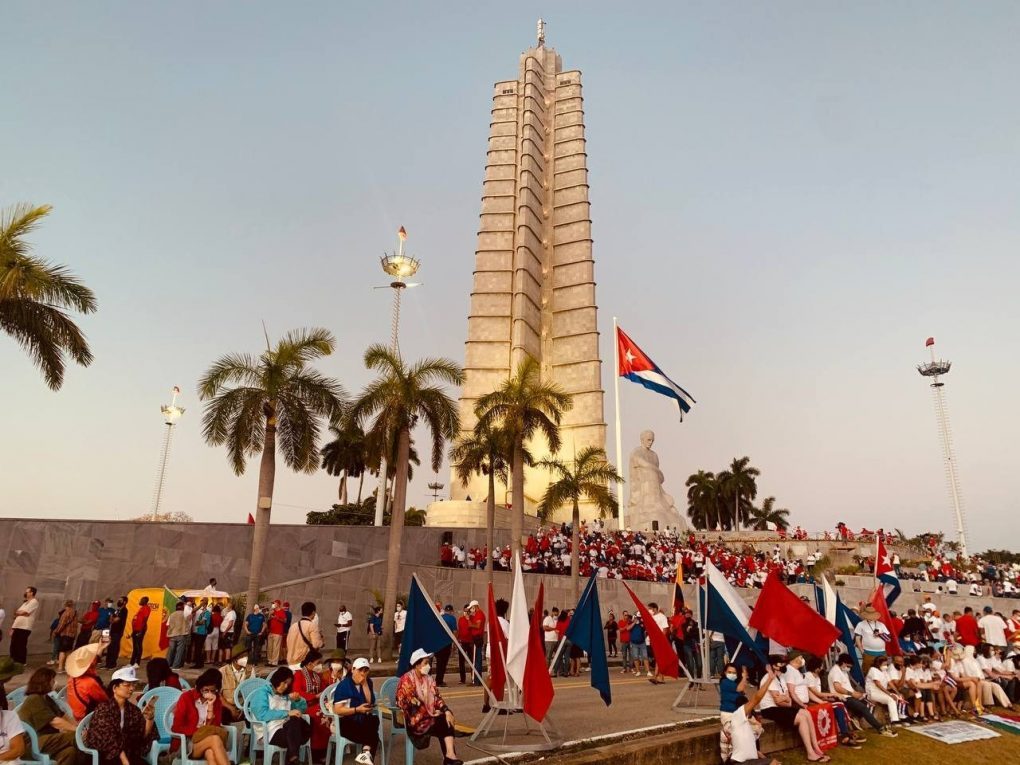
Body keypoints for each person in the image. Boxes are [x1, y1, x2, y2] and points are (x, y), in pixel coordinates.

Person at [756, 654, 829, 762]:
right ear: (774, 666)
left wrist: (784, 699)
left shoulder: (780, 677)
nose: (784, 665)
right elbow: (778, 701)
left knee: (806, 713)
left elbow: (787, 700)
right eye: (781, 663)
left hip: (779, 707)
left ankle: (816, 747)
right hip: (769, 709)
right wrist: (784, 699)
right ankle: (810, 752)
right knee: (801, 718)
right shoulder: (768, 678)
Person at [395, 649, 462, 765]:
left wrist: (446, 710)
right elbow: (407, 702)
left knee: (446, 719)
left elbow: (437, 698)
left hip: (428, 717)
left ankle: (450, 756)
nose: (428, 666)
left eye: (428, 663)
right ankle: (450, 758)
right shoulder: (407, 679)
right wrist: (430, 713)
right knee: (441, 722)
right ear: (416, 664)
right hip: (414, 721)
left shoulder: (429, 679)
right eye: (425, 663)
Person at [85, 666, 156, 765]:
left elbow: (141, 736)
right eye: (127, 685)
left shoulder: (133, 710)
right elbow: (109, 739)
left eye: (133, 685)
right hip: (106, 755)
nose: (131, 688)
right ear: (114, 688)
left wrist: (150, 719)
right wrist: (125, 761)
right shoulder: (104, 709)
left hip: (127, 753)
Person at [16, 667, 83, 765]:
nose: (55, 682)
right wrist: (78, 731)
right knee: (75, 737)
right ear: (45, 682)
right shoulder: (34, 699)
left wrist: (79, 727)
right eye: (53, 680)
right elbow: (55, 722)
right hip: (31, 744)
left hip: (46, 741)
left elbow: (63, 716)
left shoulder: (47, 699)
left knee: (69, 752)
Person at [249, 667, 310, 765]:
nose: (286, 686)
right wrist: (286, 713)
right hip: (270, 732)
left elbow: (301, 710)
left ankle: (292, 757)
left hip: (288, 729)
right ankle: (292, 757)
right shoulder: (262, 693)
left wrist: (298, 700)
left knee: (298, 721)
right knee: (295, 727)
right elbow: (262, 715)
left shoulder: (285, 696)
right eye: (284, 682)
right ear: (277, 679)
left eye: (288, 684)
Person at [720, 665, 779, 765]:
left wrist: (765, 759)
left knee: (774, 762)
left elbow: (751, 748)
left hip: (748, 761)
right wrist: (769, 679)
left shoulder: (748, 726)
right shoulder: (738, 717)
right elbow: (756, 698)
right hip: (738, 763)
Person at [170, 668, 231, 765]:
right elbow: (176, 728)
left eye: (213, 690)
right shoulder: (187, 698)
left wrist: (211, 707)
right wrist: (198, 731)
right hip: (187, 742)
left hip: (207, 741)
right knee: (215, 739)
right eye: (205, 690)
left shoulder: (216, 701)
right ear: (200, 687)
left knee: (210, 754)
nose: (209, 693)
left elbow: (215, 727)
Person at [803, 656, 864, 750]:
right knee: (840, 705)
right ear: (816, 668)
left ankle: (846, 732)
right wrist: (833, 695)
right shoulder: (808, 676)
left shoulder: (817, 677)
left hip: (818, 700)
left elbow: (819, 694)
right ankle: (846, 734)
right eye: (821, 666)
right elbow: (816, 693)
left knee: (840, 704)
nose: (822, 668)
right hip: (812, 703)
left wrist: (830, 697)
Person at [827, 653, 895, 736]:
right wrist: (852, 694)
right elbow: (838, 688)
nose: (849, 668)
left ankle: (859, 720)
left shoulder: (843, 670)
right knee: (863, 707)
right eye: (848, 666)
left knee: (868, 703)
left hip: (849, 695)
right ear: (844, 663)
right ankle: (880, 728)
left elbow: (847, 686)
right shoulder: (835, 671)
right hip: (843, 697)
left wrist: (857, 693)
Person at [331, 658, 378, 765]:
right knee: (374, 735)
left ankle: (365, 753)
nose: (363, 673)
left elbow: (369, 701)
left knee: (373, 720)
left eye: (366, 670)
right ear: (353, 670)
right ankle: (366, 752)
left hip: (362, 721)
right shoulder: (344, 685)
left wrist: (365, 684)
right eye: (360, 670)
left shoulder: (368, 682)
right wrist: (357, 709)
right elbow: (338, 710)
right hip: (346, 722)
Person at [291, 650, 329, 755]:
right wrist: (315, 696)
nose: (320, 665)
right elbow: (297, 692)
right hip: (303, 705)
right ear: (309, 663)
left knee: (328, 712)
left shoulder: (316, 675)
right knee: (319, 715)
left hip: (316, 704)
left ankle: (326, 747)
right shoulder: (299, 675)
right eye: (318, 663)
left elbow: (324, 688)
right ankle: (316, 750)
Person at [65, 644, 109, 721]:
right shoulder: (89, 682)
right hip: (86, 717)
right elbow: (104, 699)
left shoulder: (72, 678)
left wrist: (101, 648)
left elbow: (95, 659)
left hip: (76, 713)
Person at [865, 655, 905, 726]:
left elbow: (890, 683)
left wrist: (898, 693)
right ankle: (894, 720)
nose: (886, 666)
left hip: (881, 692)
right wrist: (890, 694)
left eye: (886, 664)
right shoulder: (873, 670)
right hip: (873, 693)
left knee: (899, 697)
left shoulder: (884, 671)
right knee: (891, 699)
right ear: (878, 663)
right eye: (884, 664)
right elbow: (878, 684)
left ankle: (900, 717)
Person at [218, 651, 255, 724]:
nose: (245, 659)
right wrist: (231, 708)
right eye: (242, 657)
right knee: (222, 712)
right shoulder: (222, 671)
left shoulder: (250, 670)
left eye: (246, 656)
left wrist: (244, 708)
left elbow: (252, 692)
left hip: (244, 705)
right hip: (228, 705)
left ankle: (250, 733)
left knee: (254, 710)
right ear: (235, 659)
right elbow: (218, 694)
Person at [286, 602, 325, 668]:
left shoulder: (293, 626)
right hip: (303, 661)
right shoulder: (312, 626)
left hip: (290, 661)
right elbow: (316, 645)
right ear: (313, 612)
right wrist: (322, 639)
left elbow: (287, 642)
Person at [853, 605, 889, 673]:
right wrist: (861, 651)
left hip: (882, 653)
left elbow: (888, 638)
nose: (870, 618)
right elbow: (857, 638)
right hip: (868, 653)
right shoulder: (861, 624)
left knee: (883, 671)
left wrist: (880, 635)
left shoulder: (881, 625)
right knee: (867, 671)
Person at [9, 587, 39, 666]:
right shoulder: (25, 603)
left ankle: (21, 662)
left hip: (25, 627)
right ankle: (13, 660)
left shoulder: (34, 601)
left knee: (20, 645)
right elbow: (17, 612)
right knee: (13, 644)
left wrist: (19, 612)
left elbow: (26, 613)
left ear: (32, 593)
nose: (25, 593)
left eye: (27, 591)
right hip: (17, 626)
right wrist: (13, 628)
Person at [52, 600, 79, 674]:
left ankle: (60, 668)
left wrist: (56, 631)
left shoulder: (66, 613)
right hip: (72, 635)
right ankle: (68, 667)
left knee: (62, 651)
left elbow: (61, 624)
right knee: (68, 651)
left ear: (65, 605)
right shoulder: (75, 613)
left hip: (65, 634)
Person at [436, 606, 458, 687]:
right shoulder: (452, 619)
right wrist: (454, 643)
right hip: (446, 643)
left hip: (438, 643)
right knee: (443, 663)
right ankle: (439, 681)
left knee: (439, 662)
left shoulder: (440, 617)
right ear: (451, 611)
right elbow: (455, 631)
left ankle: (438, 680)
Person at [129, 597, 152, 668]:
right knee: (135, 647)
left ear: (145, 601)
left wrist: (141, 631)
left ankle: (137, 663)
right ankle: (131, 663)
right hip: (136, 630)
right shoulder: (141, 608)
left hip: (140, 630)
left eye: (141, 600)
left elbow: (145, 620)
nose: (140, 601)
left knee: (138, 646)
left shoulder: (146, 608)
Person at [166, 602, 190, 670]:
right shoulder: (185, 614)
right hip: (181, 634)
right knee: (179, 651)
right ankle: (175, 666)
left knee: (171, 650)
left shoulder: (172, 614)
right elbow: (188, 624)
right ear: (182, 608)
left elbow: (168, 624)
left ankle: (168, 664)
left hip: (172, 634)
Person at [466, 601, 485, 685]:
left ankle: (475, 680)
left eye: (471, 608)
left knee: (475, 660)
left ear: (475, 606)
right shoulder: (477, 614)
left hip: (477, 638)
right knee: (477, 659)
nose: (471, 610)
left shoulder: (479, 614)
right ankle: (478, 680)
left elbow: (477, 626)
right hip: (477, 638)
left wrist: (469, 621)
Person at [106, 598, 127, 670]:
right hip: (112, 631)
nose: (119, 601)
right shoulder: (117, 610)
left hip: (118, 632)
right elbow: (111, 620)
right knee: (110, 647)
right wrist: (112, 618)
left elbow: (116, 620)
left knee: (114, 648)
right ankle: (107, 664)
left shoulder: (124, 611)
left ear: (124, 602)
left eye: (120, 600)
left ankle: (112, 664)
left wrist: (112, 619)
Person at [218, 601, 236, 665]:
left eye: (228, 605)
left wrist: (225, 632)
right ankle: (220, 661)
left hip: (228, 632)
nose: (226, 606)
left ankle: (227, 661)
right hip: (224, 631)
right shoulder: (229, 613)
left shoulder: (232, 613)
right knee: (221, 646)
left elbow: (230, 624)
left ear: (230, 606)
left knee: (227, 647)